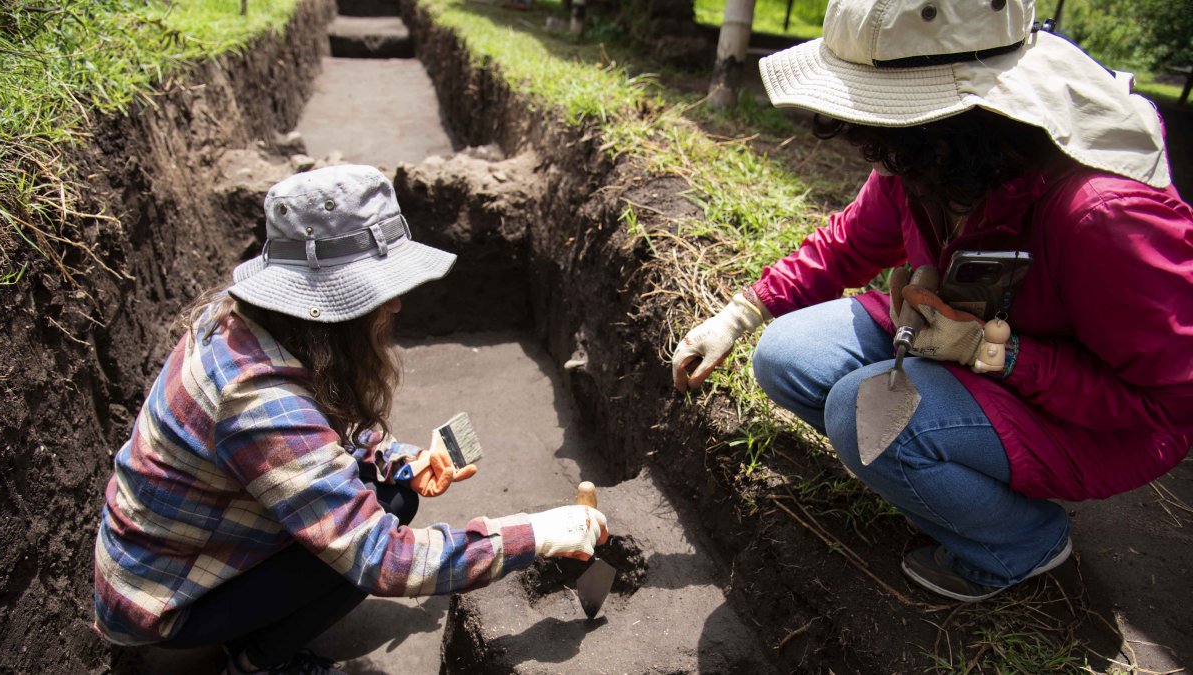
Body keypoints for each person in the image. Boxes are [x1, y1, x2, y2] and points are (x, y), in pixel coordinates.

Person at [672, 0, 1193, 602]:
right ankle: (945, 479)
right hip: (959, 343)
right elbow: (847, 243)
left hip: (1085, 417)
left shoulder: (1101, 214)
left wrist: (1002, 356)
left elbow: (1170, 405)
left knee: (856, 409)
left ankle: (1021, 542)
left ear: (953, 119)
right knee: (788, 354)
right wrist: (740, 316)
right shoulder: (925, 160)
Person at [93, 164, 609, 674]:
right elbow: (381, 558)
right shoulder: (256, 400)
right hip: (165, 598)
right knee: (364, 538)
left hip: (194, 544)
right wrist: (535, 535)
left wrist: (400, 459)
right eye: (381, 292)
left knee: (395, 495)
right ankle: (258, 665)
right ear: (331, 301)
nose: (398, 303)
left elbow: (319, 434)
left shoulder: (250, 325)